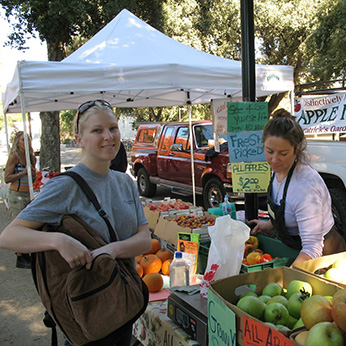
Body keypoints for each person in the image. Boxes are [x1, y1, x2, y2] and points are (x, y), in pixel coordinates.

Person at [0, 100, 152, 346]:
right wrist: (59, 240)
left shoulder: (124, 182)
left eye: (113, 128)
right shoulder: (65, 186)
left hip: (124, 304)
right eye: (97, 130)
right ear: (79, 139)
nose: (108, 136)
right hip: (88, 312)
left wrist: (110, 251)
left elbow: (144, 239)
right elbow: (8, 236)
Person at [249, 108, 346, 265]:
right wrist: (268, 225)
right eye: (270, 151)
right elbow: (283, 206)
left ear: (297, 148)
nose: (274, 159)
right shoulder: (278, 171)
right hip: (297, 250)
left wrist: (289, 275)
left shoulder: (305, 187)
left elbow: (312, 249)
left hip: (325, 257)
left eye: (283, 153)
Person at [4, 131, 36, 269]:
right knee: (18, 226)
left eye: (28, 139)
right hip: (16, 194)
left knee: (28, 225)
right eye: (23, 140)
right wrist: (23, 172)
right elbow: (7, 178)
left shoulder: (31, 157)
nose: (26, 142)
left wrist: (34, 174)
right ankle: (20, 257)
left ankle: (26, 253)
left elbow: (32, 178)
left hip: (28, 194)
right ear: (17, 142)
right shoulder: (14, 157)